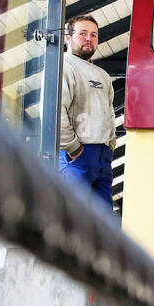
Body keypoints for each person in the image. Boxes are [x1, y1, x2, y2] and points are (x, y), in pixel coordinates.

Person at [58, 14, 116, 206]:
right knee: (71, 216)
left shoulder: (103, 75)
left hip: (102, 156)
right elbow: (57, 112)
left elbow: (109, 111)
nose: (89, 39)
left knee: (103, 219)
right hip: (77, 155)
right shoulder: (62, 66)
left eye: (93, 35)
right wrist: (75, 150)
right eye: (82, 33)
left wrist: (111, 144)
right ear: (68, 37)